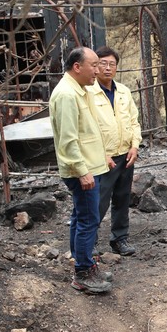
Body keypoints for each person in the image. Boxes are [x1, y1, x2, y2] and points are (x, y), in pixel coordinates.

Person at [49, 46, 112, 294]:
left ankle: (83, 263)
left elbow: (86, 133)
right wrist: (82, 170)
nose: (99, 70)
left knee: (80, 216)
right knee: (88, 219)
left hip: (88, 165)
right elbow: (68, 140)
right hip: (81, 170)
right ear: (77, 67)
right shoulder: (66, 95)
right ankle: (83, 273)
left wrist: (101, 157)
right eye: (94, 65)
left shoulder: (79, 90)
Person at [87, 47, 142, 256]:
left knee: (122, 198)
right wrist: (101, 154)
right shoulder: (89, 93)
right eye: (102, 63)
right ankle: (89, 242)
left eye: (112, 64)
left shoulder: (123, 92)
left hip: (126, 155)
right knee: (98, 201)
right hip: (102, 157)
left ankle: (120, 239)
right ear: (95, 66)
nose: (107, 68)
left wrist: (135, 146)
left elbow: (134, 122)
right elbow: (89, 128)